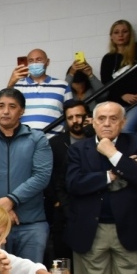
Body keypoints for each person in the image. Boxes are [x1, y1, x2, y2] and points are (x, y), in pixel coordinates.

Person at [64, 102, 137, 274]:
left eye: (113, 119)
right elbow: (74, 184)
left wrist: (113, 154)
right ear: (93, 122)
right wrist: (113, 173)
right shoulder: (78, 149)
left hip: (131, 229)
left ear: (123, 122)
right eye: (101, 118)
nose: (107, 123)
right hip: (91, 231)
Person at [0, 88, 52, 264]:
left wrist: (12, 200)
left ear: (22, 111)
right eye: (1, 106)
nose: (5, 111)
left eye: (12, 106)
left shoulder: (37, 139)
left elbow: (42, 176)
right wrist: (0, 206)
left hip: (31, 224)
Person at [46, 100, 91, 260]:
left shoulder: (97, 139)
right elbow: (48, 174)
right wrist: (56, 201)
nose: (75, 121)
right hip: (64, 208)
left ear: (87, 116)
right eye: (70, 117)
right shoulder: (55, 143)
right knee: (64, 256)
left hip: (92, 206)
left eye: (79, 116)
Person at [99, 20, 137, 134]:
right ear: (111, 37)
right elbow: (106, 83)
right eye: (116, 32)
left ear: (130, 34)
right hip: (117, 103)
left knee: (126, 129)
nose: (121, 35)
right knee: (110, 132)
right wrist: (123, 95)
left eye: (124, 31)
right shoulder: (108, 58)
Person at [7, 48, 72, 133]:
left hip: (54, 138)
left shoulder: (63, 86)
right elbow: (5, 109)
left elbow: (71, 114)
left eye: (39, 60)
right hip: (23, 138)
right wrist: (10, 83)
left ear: (47, 62)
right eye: (31, 61)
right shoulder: (17, 86)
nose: (34, 63)